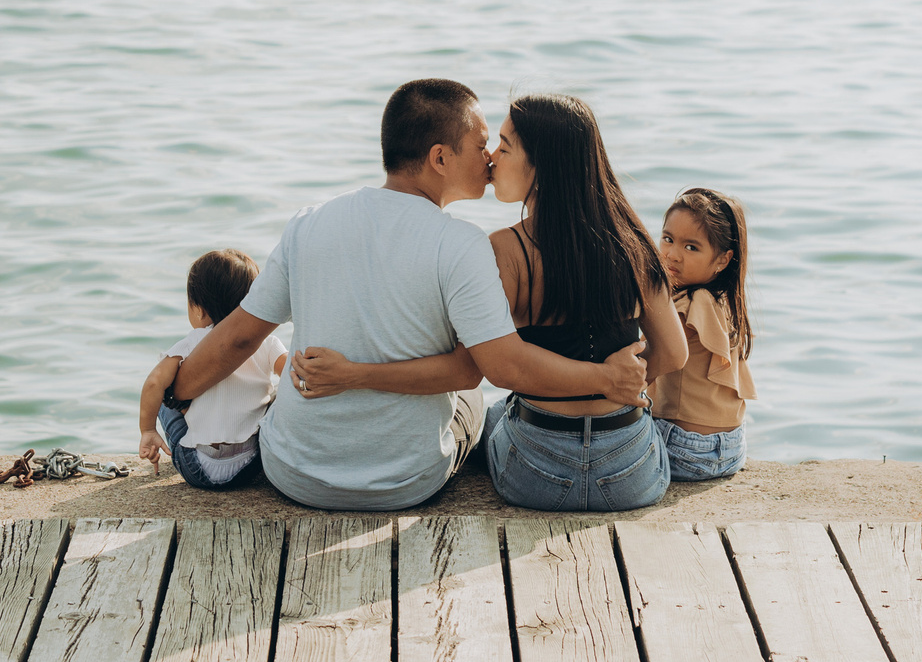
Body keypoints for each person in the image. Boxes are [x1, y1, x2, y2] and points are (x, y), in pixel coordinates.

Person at [174, 79, 649, 511]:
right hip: (409, 482)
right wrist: (605, 379)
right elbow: (469, 372)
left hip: (294, 474)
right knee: (479, 404)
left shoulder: (307, 223)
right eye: (482, 145)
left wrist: (175, 394)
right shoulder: (461, 244)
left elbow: (239, 338)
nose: (490, 158)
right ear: (440, 159)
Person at [290, 93, 687, 510]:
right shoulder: (632, 243)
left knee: (489, 412)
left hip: (537, 473)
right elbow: (674, 353)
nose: (492, 157)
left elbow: (499, 367)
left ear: (542, 166)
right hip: (630, 473)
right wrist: (622, 385)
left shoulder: (507, 250)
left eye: (505, 146)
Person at [139, 249, 288, 489]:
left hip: (198, 468)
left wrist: (147, 430)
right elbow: (291, 372)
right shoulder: (267, 341)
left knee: (165, 398)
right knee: (275, 393)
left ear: (199, 309)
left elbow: (154, 382)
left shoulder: (193, 341)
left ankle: (197, 430)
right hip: (251, 465)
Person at [653, 187, 755, 480]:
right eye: (668, 239)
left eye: (691, 247)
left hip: (686, 449)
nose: (672, 255)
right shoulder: (725, 302)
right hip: (732, 449)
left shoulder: (688, 307)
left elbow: (644, 369)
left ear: (723, 260)